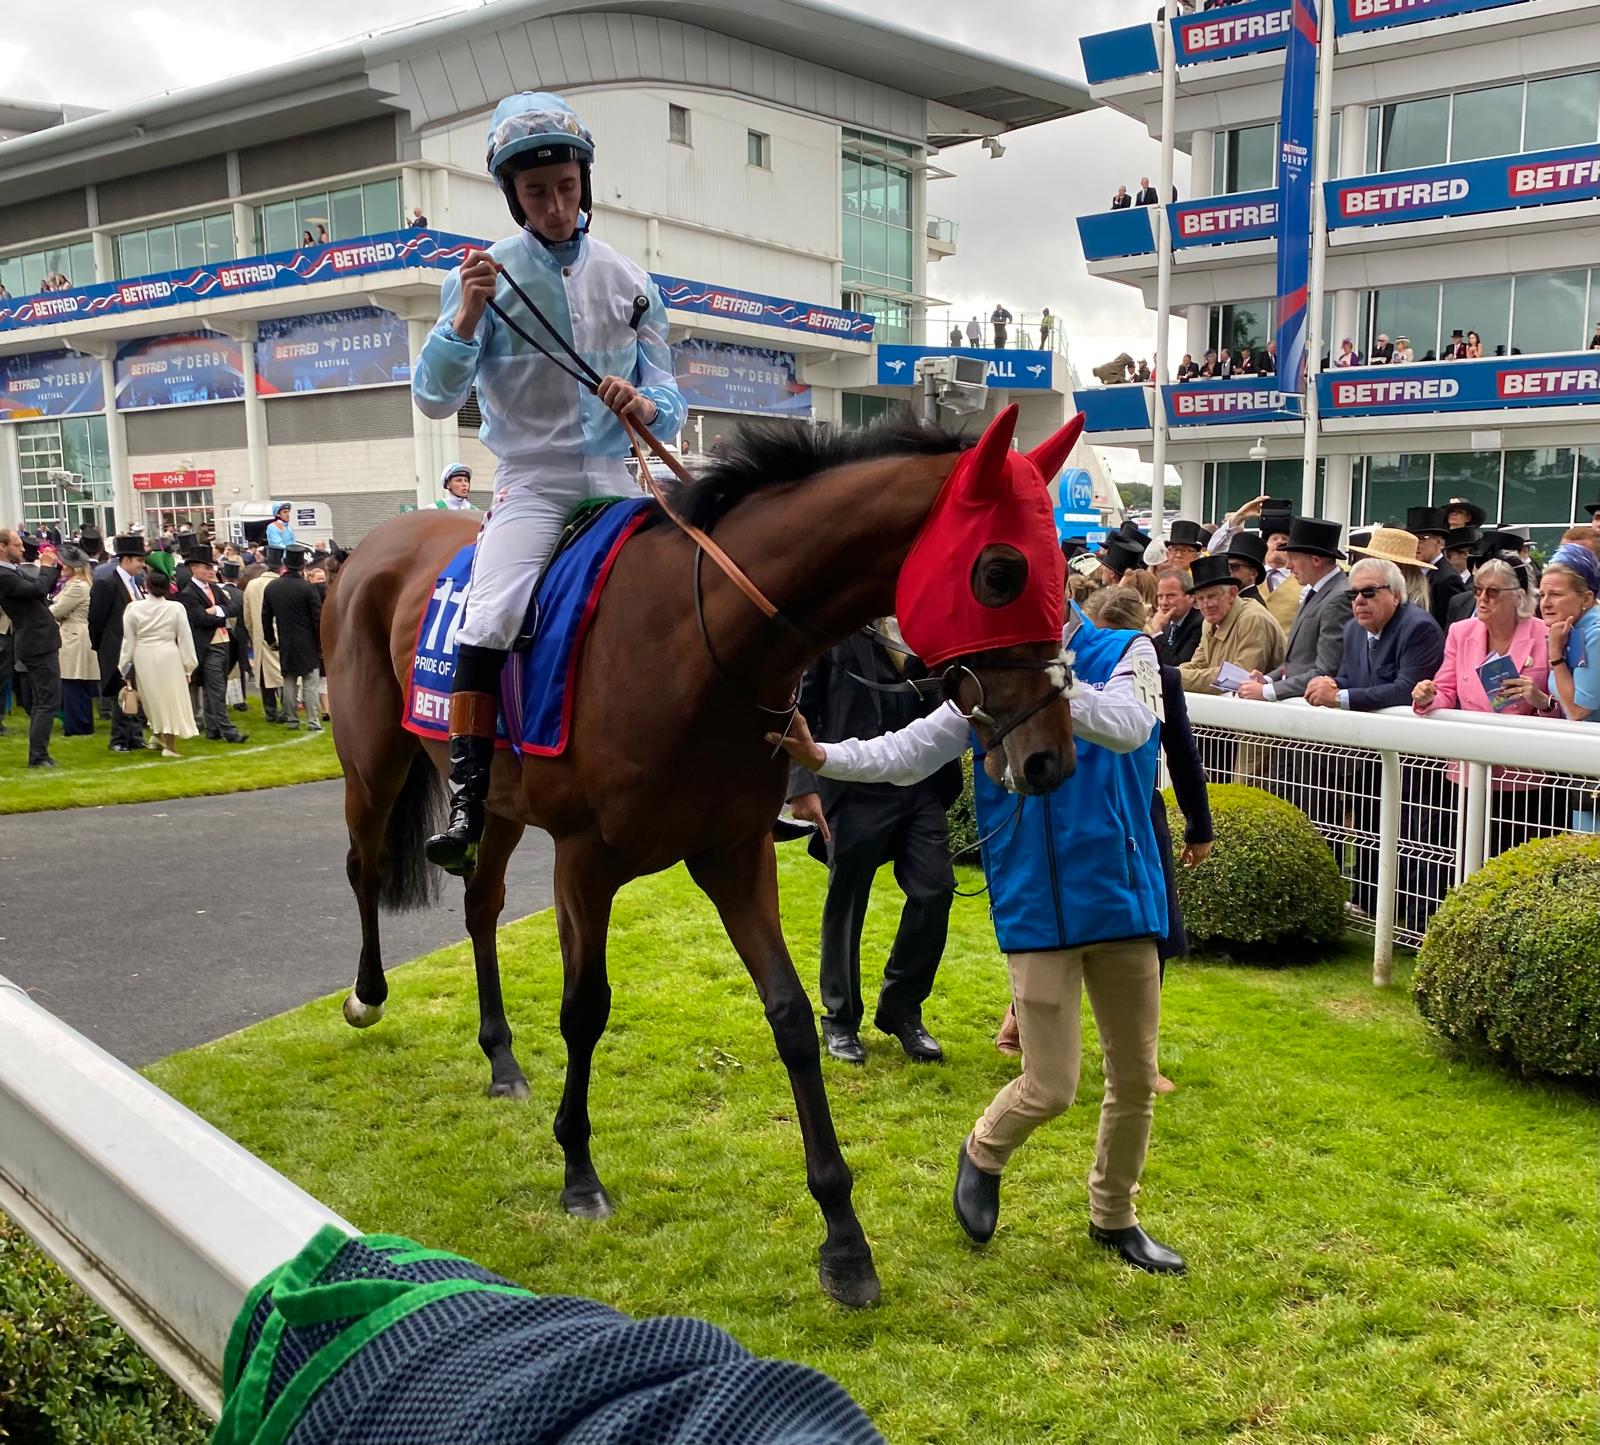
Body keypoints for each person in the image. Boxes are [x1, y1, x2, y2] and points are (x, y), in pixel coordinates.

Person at [771, 597, 1187, 1275]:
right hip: (1036, 905)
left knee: (1135, 1079)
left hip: (1124, 897)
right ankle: (984, 1151)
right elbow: (907, 751)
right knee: (1050, 1086)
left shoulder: (1127, 650)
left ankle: (1115, 1216)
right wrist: (821, 756)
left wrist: (1041, 684)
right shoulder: (985, 676)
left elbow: (1131, 726)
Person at [411, 90, 686, 877]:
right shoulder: (481, 277)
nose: (557, 207)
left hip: (619, 478)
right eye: (537, 193)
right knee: (493, 610)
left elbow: (670, 400)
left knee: (707, 588)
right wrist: (464, 318)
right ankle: (469, 797)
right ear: (513, 196)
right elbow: (432, 398)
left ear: (584, 182)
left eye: (567, 187)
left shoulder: (632, 281)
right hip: (533, 482)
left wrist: (646, 405)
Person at [785, 625, 959, 1066]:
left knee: (936, 891)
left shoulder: (924, 625)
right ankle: (840, 1020)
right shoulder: (836, 629)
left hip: (921, 786)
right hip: (852, 788)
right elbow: (800, 707)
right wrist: (802, 786)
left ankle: (901, 1008)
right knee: (847, 902)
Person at [1412, 557, 1555, 872]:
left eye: (1493, 591)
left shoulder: (1544, 635)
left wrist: (1541, 700)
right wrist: (1427, 696)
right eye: (1478, 590)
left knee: (1520, 870)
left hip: (1523, 776)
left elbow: (1559, 708)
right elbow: (1445, 688)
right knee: (1466, 863)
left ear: (1518, 596)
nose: (1482, 598)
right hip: (1468, 769)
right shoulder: (1461, 632)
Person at [1305, 558, 1445, 712]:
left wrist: (1338, 697)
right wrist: (1328, 684)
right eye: (1353, 594)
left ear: (1395, 596)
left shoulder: (1419, 628)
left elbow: (1406, 691)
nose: (1359, 600)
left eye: (1369, 592)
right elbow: (1349, 679)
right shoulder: (1352, 629)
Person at [1237, 516, 1351, 702]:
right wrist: (1267, 680)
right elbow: (1298, 661)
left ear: (1316, 560)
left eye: (1293, 558)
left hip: (1310, 708)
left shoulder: (1337, 598)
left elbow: (1325, 671)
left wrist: (1268, 691)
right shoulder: (1318, 591)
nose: (1288, 566)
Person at [1176, 555, 1286, 694]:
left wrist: (1175, 677)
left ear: (1232, 593)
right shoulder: (1209, 623)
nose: (1206, 605)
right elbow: (1199, 664)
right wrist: (1169, 674)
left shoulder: (1252, 619)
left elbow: (1238, 678)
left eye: (1212, 596)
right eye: (1200, 599)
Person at [0, 527, 62, 767]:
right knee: (47, 701)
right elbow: (37, 589)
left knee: (44, 700)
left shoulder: (12, 570)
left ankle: (40, 754)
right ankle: (38, 756)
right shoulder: (4, 575)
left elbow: (41, 589)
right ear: (3, 547)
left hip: (38, 640)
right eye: (17, 545)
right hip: (35, 641)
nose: (22, 549)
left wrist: (52, 568)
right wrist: (46, 567)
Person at [120, 570, 198, 757]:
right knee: (169, 699)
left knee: (151, 697)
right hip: (168, 654)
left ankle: (156, 735)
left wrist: (124, 665)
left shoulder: (133, 608)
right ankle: (169, 747)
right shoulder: (176, 608)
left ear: (146, 586)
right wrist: (189, 666)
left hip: (143, 655)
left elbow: (128, 639)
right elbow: (185, 638)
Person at [179, 548, 249, 743]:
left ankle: (213, 729)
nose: (212, 571)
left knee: (215, 687)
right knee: (216, 688)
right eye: (207, 568)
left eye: (212, 568)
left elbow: (235, 607)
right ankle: (228, 731)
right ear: (194, 569)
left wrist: (216, 610)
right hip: (208, 645)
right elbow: (200, 619)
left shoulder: (215, 589)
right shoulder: (189, 593)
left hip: (224, 642)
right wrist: (220, 615)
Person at [88, 533, 148, 752]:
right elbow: (96, 619)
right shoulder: (107, 583)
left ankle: (135, 735)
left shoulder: (137, 582)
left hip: (136, 646)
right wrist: (101, 645)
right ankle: (119, 739)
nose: (142, 565)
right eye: (139, 560)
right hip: (115, 645)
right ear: (126, 560)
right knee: (120, 692)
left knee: (135, 691)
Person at [262, 543, 324, 731]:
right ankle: (313, 721)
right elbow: (317, 618)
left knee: (289, 681)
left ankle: (291, 719)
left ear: (284, 564)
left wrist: (270, 639)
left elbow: (266, 617)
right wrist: (320, 643)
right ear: (303, 566)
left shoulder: (272, 587)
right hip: (307, 641)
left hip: (286, 639)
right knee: (310, 683)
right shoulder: (308, 588)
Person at [1540, 543, 1600, 724]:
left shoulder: (1596, 635)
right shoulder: (1569, 630)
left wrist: (1556, 656)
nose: (1545, 603)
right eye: (1542, 595)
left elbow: (1578, 711)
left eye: (1556, 594)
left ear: (1587, 599)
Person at [49, 544, 99, 735]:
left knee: (73, 682)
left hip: (74, 636)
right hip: (74, 633)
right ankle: (81, 724)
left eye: (65, 563)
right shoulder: (76, 584)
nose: (62, 566)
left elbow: (57, 611)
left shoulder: (78, 586)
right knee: (75, 682)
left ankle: (77, 725)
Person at [244, 548, 287, 723]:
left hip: (260, 635)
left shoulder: (252, 585)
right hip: (284, 634)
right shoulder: (283, 584)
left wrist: (252, 632)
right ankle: (286, 709)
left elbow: (247, 615)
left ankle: (270, 712)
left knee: (265, 677)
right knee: (286, 675)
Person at [1150, 565, 1202, 664]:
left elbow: (1176, 666)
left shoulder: (1200, 624)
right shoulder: (1165, 623)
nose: (1164, 603)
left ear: (1191, 597)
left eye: (1170, 596)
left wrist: (1157, 632)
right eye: (1160, 596)